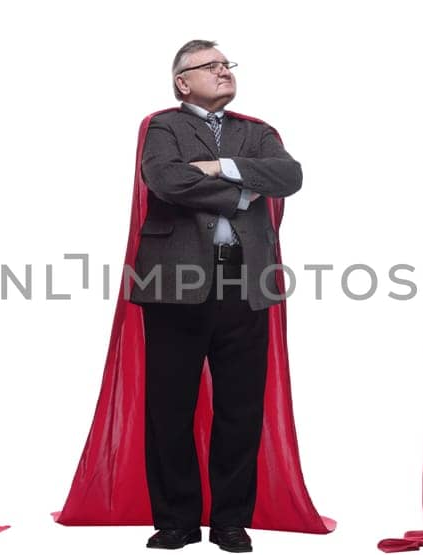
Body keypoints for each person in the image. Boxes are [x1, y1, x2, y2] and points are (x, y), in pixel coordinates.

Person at [54, 39, 331, 553]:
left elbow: (289, 176)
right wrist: (245, 188)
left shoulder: (257, 131)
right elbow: (165, 180)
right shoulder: (163, 126)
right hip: (173, 284)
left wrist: (217, 166)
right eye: (212, 66)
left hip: (245, 284)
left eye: (227, 64)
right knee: (170, 407)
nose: (224, 71)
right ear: (183, 81)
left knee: (240, 409)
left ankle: (229, 521)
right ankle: (176, 520)